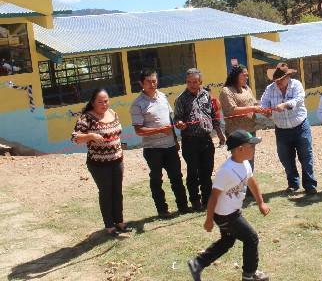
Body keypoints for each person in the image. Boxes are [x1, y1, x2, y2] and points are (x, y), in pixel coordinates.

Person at [188, 130, 270, 281]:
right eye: (251, 146)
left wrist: (261, 203)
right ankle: (249, 275)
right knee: (251, 238)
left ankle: (197, 263)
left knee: (227, 241)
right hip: (226, 215)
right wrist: (209, 219)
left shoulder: (245, 163)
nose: (254, 148)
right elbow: (213, 197)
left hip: (232, 211)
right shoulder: (226, 171)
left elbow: (252, 182)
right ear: (240, 149)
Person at [130, 69, 189, 218]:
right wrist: (159, 130)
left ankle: (183, 207)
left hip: (170, 146)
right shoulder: (137, 104)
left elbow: (170, 120)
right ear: (141, 83)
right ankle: (162, 210)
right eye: (148, 81)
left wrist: (175, 139)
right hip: (153, 149)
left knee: (176, 177)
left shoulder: (162, 96)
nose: (152, 84)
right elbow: (139, 131)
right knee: (156, 180)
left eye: (154, 81)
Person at [72, 88, 130, 237]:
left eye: (106, 101)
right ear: (92, 102)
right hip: (98, 163)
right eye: (100, 102)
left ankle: (120, 222)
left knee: (117, 191)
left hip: (117, 160)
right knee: (106, 192)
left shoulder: (113, 113)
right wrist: (91, 135)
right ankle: (109, 225)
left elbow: (117, 133)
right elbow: (75, 138)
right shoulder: (87, 118)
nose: (104, 104)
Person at [260, 63, 318, 194]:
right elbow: (263, 104)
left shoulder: (296, 85)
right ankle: (293, 184)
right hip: (281, 129)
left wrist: (284, 105)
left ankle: (310, 185)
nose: (278, 83)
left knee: (306, 156)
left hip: (300, 126)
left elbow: (298, 100)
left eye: (280, 80)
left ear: (288, 77)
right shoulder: (270, 89)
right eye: (276, 81)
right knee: (286, 158)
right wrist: (265, 111)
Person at [174, 68, 221, 211]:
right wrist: (179, 123)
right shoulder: (181, 99)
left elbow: (213, 115)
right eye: (189, 82)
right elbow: (177, 118)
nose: (192, 84)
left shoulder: (207, 95)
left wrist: (219, 132)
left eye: (195, 82)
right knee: (193, 172)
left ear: (200, 81)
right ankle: (195, 200)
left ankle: (208, 200)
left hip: (206, 139)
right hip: (190, 141)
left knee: (207, 171)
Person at [219, 65, 267, 168]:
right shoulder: (226, 91)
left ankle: (248, 183)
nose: (247, 77)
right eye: (244, 75)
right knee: (240, 162)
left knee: (250, 162)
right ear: (236, 76)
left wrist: (264, 111)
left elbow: (254, 104)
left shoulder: (247, 88)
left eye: (247, 75)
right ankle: (240, 183)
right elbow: (232, 111)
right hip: (236, 134)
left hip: (250, 130)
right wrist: (253, 109)